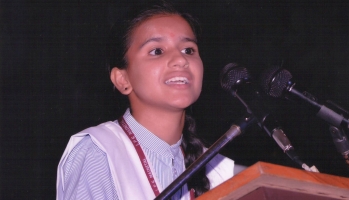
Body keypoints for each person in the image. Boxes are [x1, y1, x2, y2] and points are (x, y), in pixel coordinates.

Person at [56, 1, 234, 199]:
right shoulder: (99, 152)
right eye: (157, 51)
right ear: (123, 80)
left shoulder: (216, 169)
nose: (181, 60)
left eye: (189, 50)